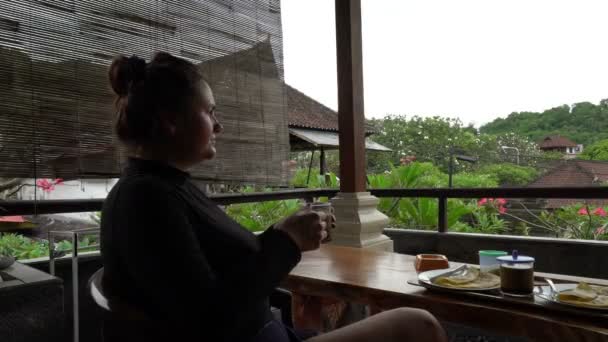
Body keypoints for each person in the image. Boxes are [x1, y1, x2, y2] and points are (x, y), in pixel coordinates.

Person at [100, 52, 447, 342]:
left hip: (271, 331)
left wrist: (281, 234)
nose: (218, 126)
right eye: (209, 112)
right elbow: (209, 318)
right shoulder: (148, 200)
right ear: (170, 121)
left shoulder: (160, 188)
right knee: (418, 325)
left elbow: (212, 278)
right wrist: (286, 242)